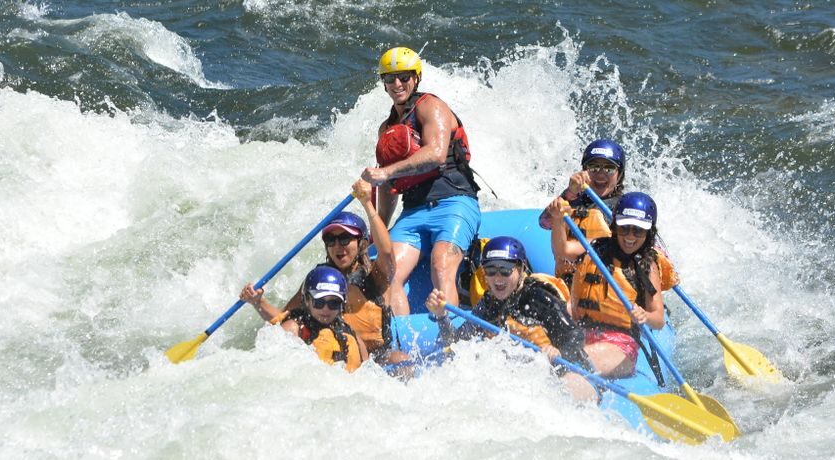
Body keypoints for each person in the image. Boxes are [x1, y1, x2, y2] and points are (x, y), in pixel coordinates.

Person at [361, 46, 481, 315]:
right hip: (413, 212)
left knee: (441, 264)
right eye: (390, 79)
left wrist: (387, 172)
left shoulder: (431, 106)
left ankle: (447, 333)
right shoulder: (387, 128)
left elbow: (436, 154)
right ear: (383, 84)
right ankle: (400, 345)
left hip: (454, 202)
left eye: (404, 76)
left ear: (416, 78)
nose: (397, 84)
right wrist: (380, 227)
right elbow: (390, 187)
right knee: (387, 275)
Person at [240, 179, 410, 366]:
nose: (338, 246)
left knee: (402, 361)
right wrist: (258, 302)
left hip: (375, 361)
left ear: (361, 243)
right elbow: (285, 318)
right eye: (331, 240)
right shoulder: (318, 280)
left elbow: (386, 252)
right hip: (335, 353)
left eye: (345, 239)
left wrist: (367, 203)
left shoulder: (374, 278)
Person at [424, 237, 599, 403]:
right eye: (490, 270)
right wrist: (441, 316)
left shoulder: (538, 298)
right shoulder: (488, 304)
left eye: (505, 270)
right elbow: (455, 344)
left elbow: (574, 336)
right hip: (524, 379)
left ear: (521, 269)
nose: (498, 278)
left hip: (569, 371)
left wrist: (557, 351)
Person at [557, 192, 669, 378]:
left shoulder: (647, 265)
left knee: (572, 362)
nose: (630, 236)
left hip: (620, 344)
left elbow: (658, 320)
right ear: (615, 226)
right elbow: (563, 250)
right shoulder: (596, 248)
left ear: (648, 233)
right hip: (582, 332)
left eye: (638, 231)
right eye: (624, 228)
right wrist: (559, 219)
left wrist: (644, 316)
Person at [540, 139, 626, 284]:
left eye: (609, 168)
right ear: (583, 171)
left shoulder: (624, 208)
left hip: (604, 287)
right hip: (569, 282)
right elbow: (544, 222)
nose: (600, 174)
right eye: (593, 167)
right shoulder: (573, 200)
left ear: (620, 175)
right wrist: (570, 193)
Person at [273, 266, 369, 372]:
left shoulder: (352, 335)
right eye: (319, 302)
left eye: (334, 303)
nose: (326, 309)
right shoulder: (294, 329)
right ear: (307, 301)